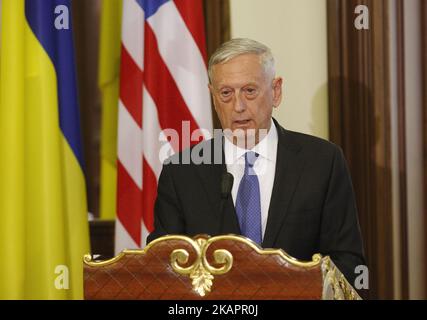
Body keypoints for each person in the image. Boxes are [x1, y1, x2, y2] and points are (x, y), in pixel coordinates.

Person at [147, 38, 365, 285]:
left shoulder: (322, 162)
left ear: (276, 91)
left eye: (249, 91)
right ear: (213, 96)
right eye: (226, 93)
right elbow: (161, 267)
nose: (238, 106)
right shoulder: (181, 172)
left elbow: (347, 262)